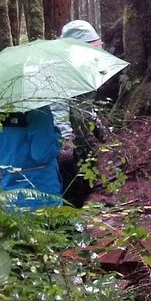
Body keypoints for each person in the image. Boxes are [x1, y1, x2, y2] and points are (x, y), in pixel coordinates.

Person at [53, 20, 106, 207]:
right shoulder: (60, 68)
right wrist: (66, 140)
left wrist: (96, 123)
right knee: (71, 185)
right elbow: (58, 104)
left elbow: (84, 103)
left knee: (88, 180)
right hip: (67, 141)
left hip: (82, 137)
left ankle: (73, 222)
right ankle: (65, 229)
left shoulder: (82, 68)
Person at [0, 106, 63, 211]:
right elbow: (42, 155)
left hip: (9, 192)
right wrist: (57, 136)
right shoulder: (38, 108)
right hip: (41, 189)